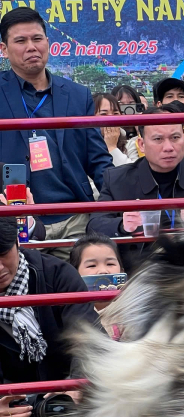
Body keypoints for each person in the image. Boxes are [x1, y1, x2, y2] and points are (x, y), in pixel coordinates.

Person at [0, 8, 114, 259]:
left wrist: (113, 205)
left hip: (74, 218)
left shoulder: (77, 94)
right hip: (17, 220)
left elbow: (98, 159)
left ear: (48, 43)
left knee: (78, 294)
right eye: (20, 41)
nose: (31, 47)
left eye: (37, 38)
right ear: (4, 50)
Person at [87, 107, 184, 273]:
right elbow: (94, 225)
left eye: (175, 138)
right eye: (158, 139)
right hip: (139, 270)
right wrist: (123, 225)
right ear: (142, 145)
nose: (168, 147)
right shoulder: (116, 179)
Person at [0, 217, 99, 417]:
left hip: (67, 399)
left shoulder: (57, 273)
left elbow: (89, 337)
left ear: (17, 242)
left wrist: (76, 385)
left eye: (3, 254)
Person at [68, 234, 123, 324]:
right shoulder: (71, 309)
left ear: (122, 270)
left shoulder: (134, 306)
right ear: (75, 273)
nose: (103, 271)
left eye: (110, 264)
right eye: (92, 265)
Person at [93, 93, 133, 167]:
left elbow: (132, 174)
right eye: (104, 114)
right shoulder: (84, 146)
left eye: (115, 113)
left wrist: (112, 147)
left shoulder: (131, 144)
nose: (111, 119)